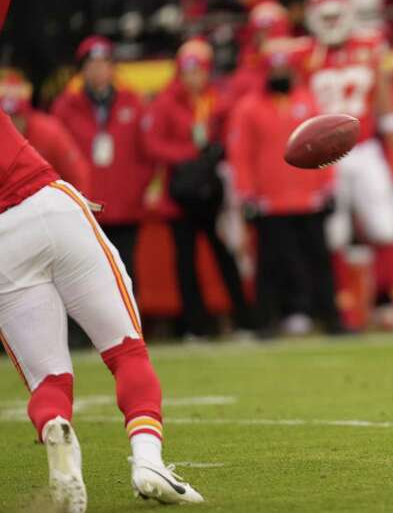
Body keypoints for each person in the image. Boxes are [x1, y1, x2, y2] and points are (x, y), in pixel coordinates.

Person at [0, 0, 202, 510]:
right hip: (47, 204)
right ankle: (149, 460)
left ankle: (58, 434)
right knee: (125, 349)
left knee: (48, 379)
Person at [303, 0, 393, 331]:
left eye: (335, 16)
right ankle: (343, 308)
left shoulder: (371, 45)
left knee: (387, 226)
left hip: (365, 147)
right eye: (323, 17)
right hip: (324, 155)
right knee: (335, 233)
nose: (329, 23)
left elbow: (386, 103)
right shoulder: (304, 54)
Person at [227, 36, 341, 336]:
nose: (279, 76)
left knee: (320, 262)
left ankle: (331, 318)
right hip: (270, 199)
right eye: (274, 70)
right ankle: (266, 321)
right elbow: (241, 156)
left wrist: (328, 186)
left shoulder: (309, 101)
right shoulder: (248, 108)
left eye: (284, 70)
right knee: (269, 266)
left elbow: (326, 146)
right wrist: (247, 194)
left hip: (308, 197)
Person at [141, 38, 252, 338]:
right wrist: (190, 155)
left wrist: (217, 149)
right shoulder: (165, 102)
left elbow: (231, 128)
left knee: (225, 253)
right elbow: (152, 145)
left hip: (211, 193)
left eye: (199, 71)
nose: (194, 78)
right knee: (186, 260)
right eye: (188, 72)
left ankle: (243, 318)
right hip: (180, 194)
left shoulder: (215, 99)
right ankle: (195, 324)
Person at [51, 36, 153, 288]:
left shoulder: (133, 102)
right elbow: (55, 155)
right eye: (91, 64)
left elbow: (147, 151)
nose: (98, 69)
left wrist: (137, 188)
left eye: (104, 63)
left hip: (125, 204)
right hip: (84, 206)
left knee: (126, 271)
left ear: (112, 67)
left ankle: (129, 326)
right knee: (83, 274)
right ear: (82, 69)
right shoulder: (65, 106)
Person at [0, 69, 91, 194]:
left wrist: (77, 208)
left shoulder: (49, 132)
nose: (11, 122)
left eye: (16, 116)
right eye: (7, 117)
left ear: (26, 114)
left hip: (48, 203)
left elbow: (77, 174)